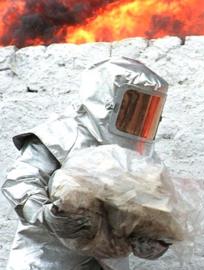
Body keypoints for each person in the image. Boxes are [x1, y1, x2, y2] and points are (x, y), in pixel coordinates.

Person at [2, 57, 170, 270]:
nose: (138, 116)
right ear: (107, 101)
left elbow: (150, 213)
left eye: (147, 109)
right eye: (131, 107)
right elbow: (21, 181)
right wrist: (45, 214)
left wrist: (150, 236)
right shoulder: (61, 133)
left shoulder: (142, 157)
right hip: (45, 261)